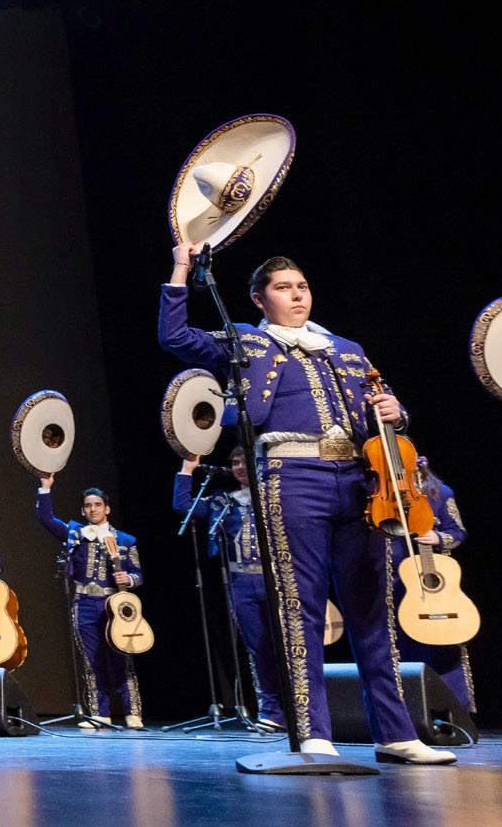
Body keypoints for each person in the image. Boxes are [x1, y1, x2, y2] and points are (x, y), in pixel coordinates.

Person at [159, 243, 455, 764]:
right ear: (258, 298)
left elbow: (383, 410)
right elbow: (175, 337)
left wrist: (396, 410)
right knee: (302, 605)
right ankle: (313, 731)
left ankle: (395, 732)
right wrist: (182, 269)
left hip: (362, 481)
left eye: (302, 286)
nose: (296, 295)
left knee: (372, 607)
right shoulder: (246, 342)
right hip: (292, 475)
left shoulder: (345, 347)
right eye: (283, 288)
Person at [175, 447, 284, 728]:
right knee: (256, 647)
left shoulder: (274, 496)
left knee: (287, 644)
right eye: (234, 462)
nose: (238, 467)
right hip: (240, 582)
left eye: (244, 461)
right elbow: (183, 506)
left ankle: (300, 708)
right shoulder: (224, 502)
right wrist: (188, 469)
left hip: (275, 579)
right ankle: (271, 710)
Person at [36, 479, 145, 727]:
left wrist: (127, 578)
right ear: (83, 510)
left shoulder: (126, 540)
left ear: (107, 509)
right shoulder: (76, 534)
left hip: (114, 604)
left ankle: (133, 712)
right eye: (88, 506)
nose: (93, 509)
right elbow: (46, 519)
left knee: (121, 656)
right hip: (84, 601)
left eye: (97, 505)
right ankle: (100, 713)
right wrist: (46, 487)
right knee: (92, 659)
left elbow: (139, 574)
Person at [382, 457, 473, 728]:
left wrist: (438, 538)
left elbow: (458, 532)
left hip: (435, 587)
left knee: (444, 647)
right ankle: (409, 717)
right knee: (403, 648)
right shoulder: (383, 496)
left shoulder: (440, 493)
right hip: (397, 584)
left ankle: (456, 714)